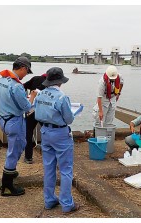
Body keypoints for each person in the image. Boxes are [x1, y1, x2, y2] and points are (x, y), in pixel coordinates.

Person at [34, 67, 80, 214]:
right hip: (60, 134)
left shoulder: (40, 95)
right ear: (60, 82)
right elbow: (69, 119)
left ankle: (49, 200)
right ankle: (66, 204)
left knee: (49, 168)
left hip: (45, 132)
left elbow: (37, 112)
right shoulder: (62, 97)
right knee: (66, 169)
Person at [0, 56, 37, 196]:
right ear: (23, 68)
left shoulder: (1, 81)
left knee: (20, 145)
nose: (26, 75)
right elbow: (26, 107)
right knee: (15, 151)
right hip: (14, 122)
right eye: (27, 71)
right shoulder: (17, 86)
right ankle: (7, 185)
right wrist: (32, 96)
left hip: (2, 119)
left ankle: (10, 171)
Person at [22, 73, 47, 164]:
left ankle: (28, 157)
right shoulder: (50, 83)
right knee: (46, 131)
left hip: (31, 109)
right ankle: (47, 154)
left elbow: (23, 85)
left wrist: (26, 95)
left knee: (28, 132)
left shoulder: (35, 78)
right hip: (43, 110)